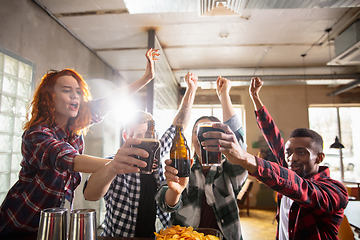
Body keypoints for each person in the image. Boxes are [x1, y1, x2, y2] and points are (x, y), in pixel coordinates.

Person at [0, 48, 160, 238]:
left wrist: (146, 78)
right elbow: (68, 158)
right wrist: (118, 163)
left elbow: (109, 102)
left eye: (78, 91)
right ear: (50, 97)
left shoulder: (74, 128)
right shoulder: (36, 134)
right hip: (20, 223)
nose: (75, 96)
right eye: (67, 91)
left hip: (54, 224)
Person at [201, 77, 349, 239]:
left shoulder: (335, 191)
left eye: (301, 152)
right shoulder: (290, 167)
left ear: (319, 157)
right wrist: (255, 98)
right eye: (289, 152)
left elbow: (302, 189)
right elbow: (274, 137)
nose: (292, 158)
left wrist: (244, 157)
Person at [83, 72, 198, 238]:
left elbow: (178, 126)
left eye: (147, 135)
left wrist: (191, 89)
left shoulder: (159, 157)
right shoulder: (113, 163)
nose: (143, 141)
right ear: (125, 137)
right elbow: (89, 195)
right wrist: (112, 168)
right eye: (136, 134)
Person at [155, 76, 248, 240]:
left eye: (211, 132)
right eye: (199, 132)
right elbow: (164, 204)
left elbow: (239, 148)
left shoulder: (229, 169)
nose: (204, 136)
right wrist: (175, 192)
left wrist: (224, 95)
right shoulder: (183, 167)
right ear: (192, 138)